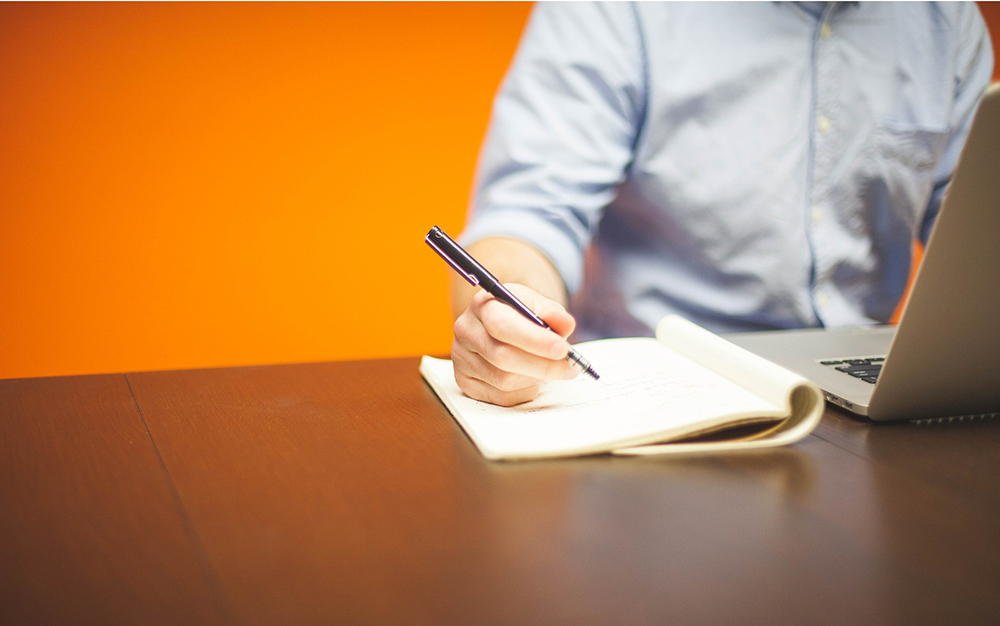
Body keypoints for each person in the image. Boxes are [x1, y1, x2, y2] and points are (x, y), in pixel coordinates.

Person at [450, 2, 994, 406]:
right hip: (652, 395)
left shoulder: (948, 19)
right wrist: (511, 312)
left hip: (873, 396)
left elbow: (976, 230)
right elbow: (529, 213)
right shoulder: (617, 11)